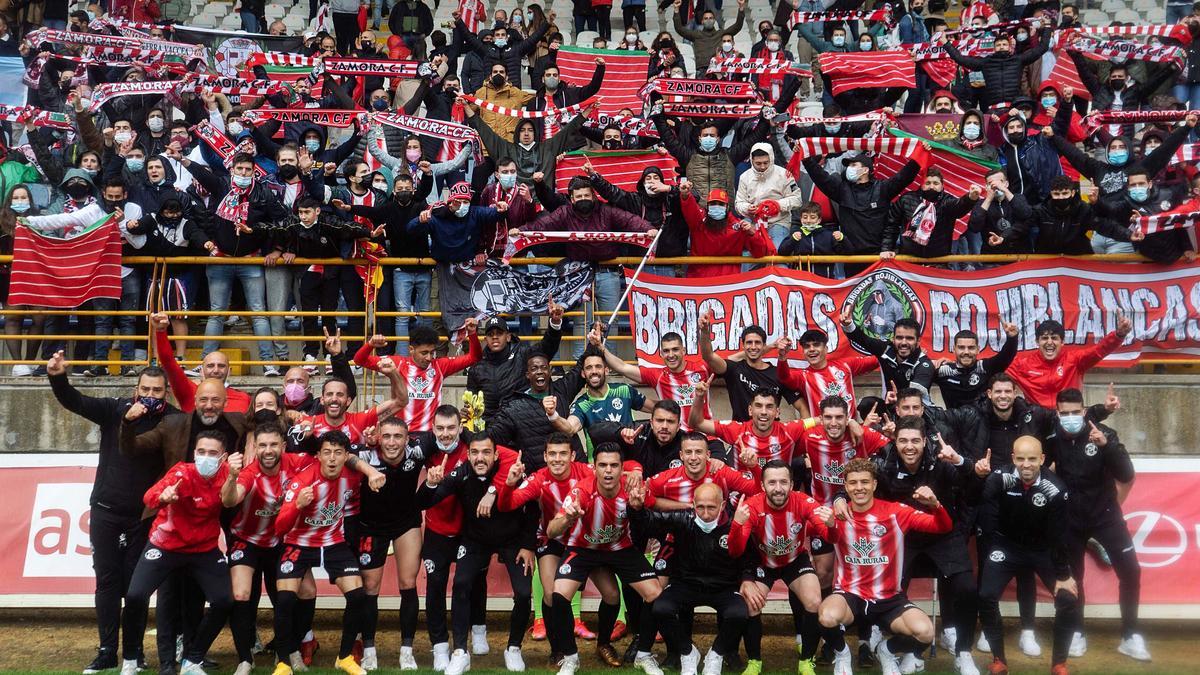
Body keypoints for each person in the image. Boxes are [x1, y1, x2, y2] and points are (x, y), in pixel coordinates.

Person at [47, 352, 174, 674]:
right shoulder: (115, 409)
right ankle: (106, 651)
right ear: (136, 389)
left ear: (166, 392)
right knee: (106, 583)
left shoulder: (173, 419)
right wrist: (58, 377)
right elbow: (75, 401)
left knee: (135, 588)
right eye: (145, 389)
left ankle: (134, 653)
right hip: (105, 511)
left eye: (157, 390)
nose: (150, 395)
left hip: (143, 518)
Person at [835, 417, 987, 675]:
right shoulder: (884, 464)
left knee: (966, 588)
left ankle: (962, 652)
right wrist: (839, 497)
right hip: (903, 538)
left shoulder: (941, 461)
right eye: (903, 440)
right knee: (890, 591)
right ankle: (896, 649)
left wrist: (965, 465)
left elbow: (972, 490)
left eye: (915, 440)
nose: (909, 446)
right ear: (895, 442)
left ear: (924, 441)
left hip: (943, 532)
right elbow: (859, 481)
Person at [814, 458, 953, 675]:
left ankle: (886, 650)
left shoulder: (896, 512)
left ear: (874, 484)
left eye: (864, 482)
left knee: (925, 632)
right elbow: (831, 536)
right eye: (853, 483)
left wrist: (935, 505)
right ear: (846, 487)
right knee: (826, 616)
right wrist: (831, 525)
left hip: (888, 598)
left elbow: (942, 526)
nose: (859, 488)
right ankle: (842, 654)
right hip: (851, 595)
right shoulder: (838, 515)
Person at [415, 433, 532, 675]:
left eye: (486, 452)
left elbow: (532, 508)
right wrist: (431, 483)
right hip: (475, 540)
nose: (480, 458)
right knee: (461, 583)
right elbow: (424, 502)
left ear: (496, 454)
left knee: (523, 593)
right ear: (468, 455)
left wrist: (529, 545)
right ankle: (460, 652)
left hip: (511, 541)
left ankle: (513, 648)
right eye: (475, 452)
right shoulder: (461, 473)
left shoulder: (512, 470)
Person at [497, 433, 620, 659]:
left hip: (586, 543)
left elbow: (618, 474)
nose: (557, 459)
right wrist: (508, 484)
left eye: (563, 453)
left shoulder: (587, 473)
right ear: (544, 456)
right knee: (552, 595)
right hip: (552, 541)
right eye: (552, 454)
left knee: (612, 594)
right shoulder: (538, 480)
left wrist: (633, 472)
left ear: (572, 455)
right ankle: (559, 650)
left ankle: (604, 644)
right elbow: (507, 505)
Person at [1047, 389, 1149, 662]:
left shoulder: (1103, 433)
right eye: (1064, 413)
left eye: (1074, 413)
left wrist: (1106, 446)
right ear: (1058, 413)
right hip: (1070, 518)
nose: (1070, 418)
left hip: (1105, 515)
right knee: (1073, 578)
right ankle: (1077, 632)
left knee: (1131, 571)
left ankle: (1130, 635)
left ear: (1083, 412)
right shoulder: (1051, 437)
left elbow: (1126, 474)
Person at [122, 432, 235, 675]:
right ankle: (131, 659)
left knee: (224, 600)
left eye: (212, 453)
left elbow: (233, 497)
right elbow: (149, 497)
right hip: (166, 545)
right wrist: (163, 497)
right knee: (135, 596)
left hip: (203, 549)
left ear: (223, 457)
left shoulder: (228, 475)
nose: (205, 457)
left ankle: (193, 660)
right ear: (194, 453)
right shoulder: (182, 472)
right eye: (201, 452)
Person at [273, 431, 384, 675]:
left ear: (346, 456)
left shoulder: (353, 477)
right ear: (318, 456)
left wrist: (372, 474)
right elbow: (280, 527)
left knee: (357, 596)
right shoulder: (302, 481)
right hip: (298, 543)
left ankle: (344, 657)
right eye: (326, 452)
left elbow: (358, 498)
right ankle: (282, 662)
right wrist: (298, 506)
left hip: (333, 542)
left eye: (337, 453)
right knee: (285, 600)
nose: (332, 458)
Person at [546, 444, 663, 675]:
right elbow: (551, 530)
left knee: (654, 595)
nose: (608, 471)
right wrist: (568, 518)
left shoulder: (633, 489)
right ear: (594, 468)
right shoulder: (582, 491)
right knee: (558, 595)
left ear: (622, 469)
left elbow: (657, 506)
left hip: (620, 548)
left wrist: (640, 510)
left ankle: (642, 655)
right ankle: (570, 657)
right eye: (602, 465)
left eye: (613, 466)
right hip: (583, 548)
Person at [976, 436, 1080, 675]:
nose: (1026, 464)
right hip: (1006, 546)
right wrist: (992, 554)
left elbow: (1059, 536)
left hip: (1043, 550)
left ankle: (1059, 664)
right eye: (1020, 459)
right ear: (1013, 458)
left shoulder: (1056, 489)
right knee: (986, 595)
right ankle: (999, 660)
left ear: (1042, 459)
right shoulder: (999, 479)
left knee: (1068, 598)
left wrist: (1064, 575)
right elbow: (988, 523)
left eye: (1032, 459)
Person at [219, 422, 315, 674]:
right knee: (240, 594)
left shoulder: (296, 463)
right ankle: (245, 659)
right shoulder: (249, 473)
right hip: (246, 540)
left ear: (284, 446)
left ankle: (290, 649)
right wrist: (231, 476)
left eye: (274, 444)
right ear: (255, 448)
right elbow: (230, 499)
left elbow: (327, 460)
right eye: (262, 445)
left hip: (281, 542)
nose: (268, 450)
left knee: (303, 592)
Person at [630, 481, 749, 675]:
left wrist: (747, 580)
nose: (705, 513)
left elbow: (747, 557)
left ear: (722, 504)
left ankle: (716, 655)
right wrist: (636, 509)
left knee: (739, 613)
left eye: (711, 507)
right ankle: (688, 653)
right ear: (693, 504)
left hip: (723, 586)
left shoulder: (734, 523)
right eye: (700, 506)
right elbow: (650, 521)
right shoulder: (683, 519)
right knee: (661, 608)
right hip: (687, 584)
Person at [727, 459, 829, 675]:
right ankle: (755, 661)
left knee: (814, 600)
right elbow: (735, 551)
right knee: (751, 604)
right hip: (764, 563)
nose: (778, 488)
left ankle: (806, 660)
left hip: (795, 561)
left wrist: (830, 525)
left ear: (792, 484)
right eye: (772, 483)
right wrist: (737, 525)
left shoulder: (803, 501)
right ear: (763, 486)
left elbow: (830, 534)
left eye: (784, 482)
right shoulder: (752, 506)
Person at [353, 417, 426, 670]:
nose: (392, 442)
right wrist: (368, 469)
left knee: (408, 583)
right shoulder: (366, 453)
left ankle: (407, 650)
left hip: (406, 523)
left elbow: (448, 439)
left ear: (408, 438)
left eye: (398, 436)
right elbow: (346, 454)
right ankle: (369, 650)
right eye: (387, 436)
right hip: (371, 526)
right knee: (370, 587)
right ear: (378, 438)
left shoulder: (417, 451)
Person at [353, 320, 482, 432]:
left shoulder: (440, 366)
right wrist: (370, 345)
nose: (429, 358)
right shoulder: (398, 363)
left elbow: (474, 357)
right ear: (411, 349)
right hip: (403, 435)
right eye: (424, 353)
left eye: (432, 353)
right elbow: (359, 360)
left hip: (431, 436)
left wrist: (472, 334)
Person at [1008, 317, 1132, 408]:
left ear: (1062, 342)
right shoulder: (1023, 365)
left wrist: (1119, 335)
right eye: (1045, 338)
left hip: (1069, 419)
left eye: (1054, 338)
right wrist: (1011, 339)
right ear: (1037, 342)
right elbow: (995, 368)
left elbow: (1100, 350)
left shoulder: (1075, 360)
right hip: (1037, 422)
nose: (1049, 342)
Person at [600, 330, 710, 431]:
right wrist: (600, 347)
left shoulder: (702, 368)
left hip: (707, 437)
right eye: (666, 351)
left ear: (683, 351)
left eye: (675, 349)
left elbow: (725, 364)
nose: (671, 355)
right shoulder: (658, 375)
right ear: (661, 354)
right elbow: (622, 367)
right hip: (676, 440)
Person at [468, 310, 564, 422]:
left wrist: (555, 324)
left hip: (520, 423)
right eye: (490, 334)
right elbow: (472, 403)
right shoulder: (477, 369)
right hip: (489, 426)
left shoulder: (523, 354)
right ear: (485, 340)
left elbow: (546, 348)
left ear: (508, 337)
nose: (494, 337)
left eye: (499, 333)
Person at [698, 317, 799, 420]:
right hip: (740, 433)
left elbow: (801, 406)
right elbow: (708, 356)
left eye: (758, 343)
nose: (753, 347)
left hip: (771, 433)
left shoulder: (778, 373)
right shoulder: (734, 369)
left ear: (764, 345)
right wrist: (705, 331)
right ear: (743, 345)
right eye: (749, 342)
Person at [840, 307, 936, 405]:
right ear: (893, 339)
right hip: (891, 405)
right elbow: (861, 339)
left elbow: (914, 398)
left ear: (918, 341)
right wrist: (848, 324)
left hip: (917, 413)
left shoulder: (924, 364)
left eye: (909, 338)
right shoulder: (885, 349)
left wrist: (898, 398)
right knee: (867, 404)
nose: (904, 343)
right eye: (899, 338)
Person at [775, 330, 878, 419]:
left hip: (851, 433)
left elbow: (878, 360)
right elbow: (784, 377)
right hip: (822, 436)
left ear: (826, 349)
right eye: (807, 346)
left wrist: (888, 346)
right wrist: (782, 356)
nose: (811, 349)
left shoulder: (845, 365)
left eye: (816, 345)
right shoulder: (803, 376)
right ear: (803, 352)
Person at [681, 186, 776, 277]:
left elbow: (759, 253)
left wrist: (752, 234)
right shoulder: (698, 222)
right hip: (699, 279)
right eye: (713, 204)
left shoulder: (739, 227)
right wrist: (686, 195)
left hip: (728, 282)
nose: (716, 207)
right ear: (707, 206)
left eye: (721, 204)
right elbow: (690, 208)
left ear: (727, 207)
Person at [933, 324, 1019, 409]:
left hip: (983, 421)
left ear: (978, 349)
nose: (966, 352)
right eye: (961, 347)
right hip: (952, 421)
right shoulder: (943, 371)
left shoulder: (985, 368)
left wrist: (1012, 338)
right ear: (954, 350)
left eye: (971, 348)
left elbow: (1006, 356)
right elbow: (922, 372)